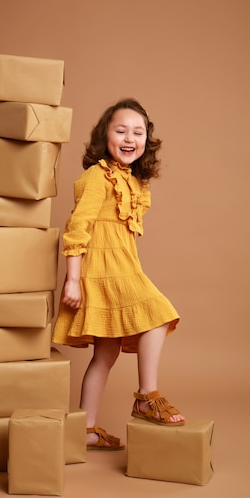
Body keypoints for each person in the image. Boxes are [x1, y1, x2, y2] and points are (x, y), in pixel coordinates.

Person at [52, 98, 185, 451]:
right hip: (101, 271)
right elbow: (77, 227)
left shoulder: (134, 182)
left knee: (105, 355)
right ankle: (146, 396)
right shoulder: (97, 176)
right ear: (104, 135)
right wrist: (72, 278)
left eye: (138, 132)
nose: (130, 138)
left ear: (146, 141)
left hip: (123, 266)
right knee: (157, 315)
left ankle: (86, 428)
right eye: (121, 130)